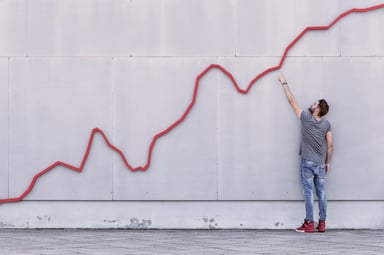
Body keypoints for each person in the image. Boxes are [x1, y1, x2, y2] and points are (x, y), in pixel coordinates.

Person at [278, 74, 333, 233]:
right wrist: (327, 162)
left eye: (315, 103)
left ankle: (309, 223)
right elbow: (330, 145)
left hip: (308, 162)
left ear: (318, 109)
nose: (312, 103)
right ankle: (322, 223)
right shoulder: (327, 124)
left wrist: (284, 83)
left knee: (309, 193)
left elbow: (291, 101)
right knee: (322, 193)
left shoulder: (306, 117)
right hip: (320, 164)